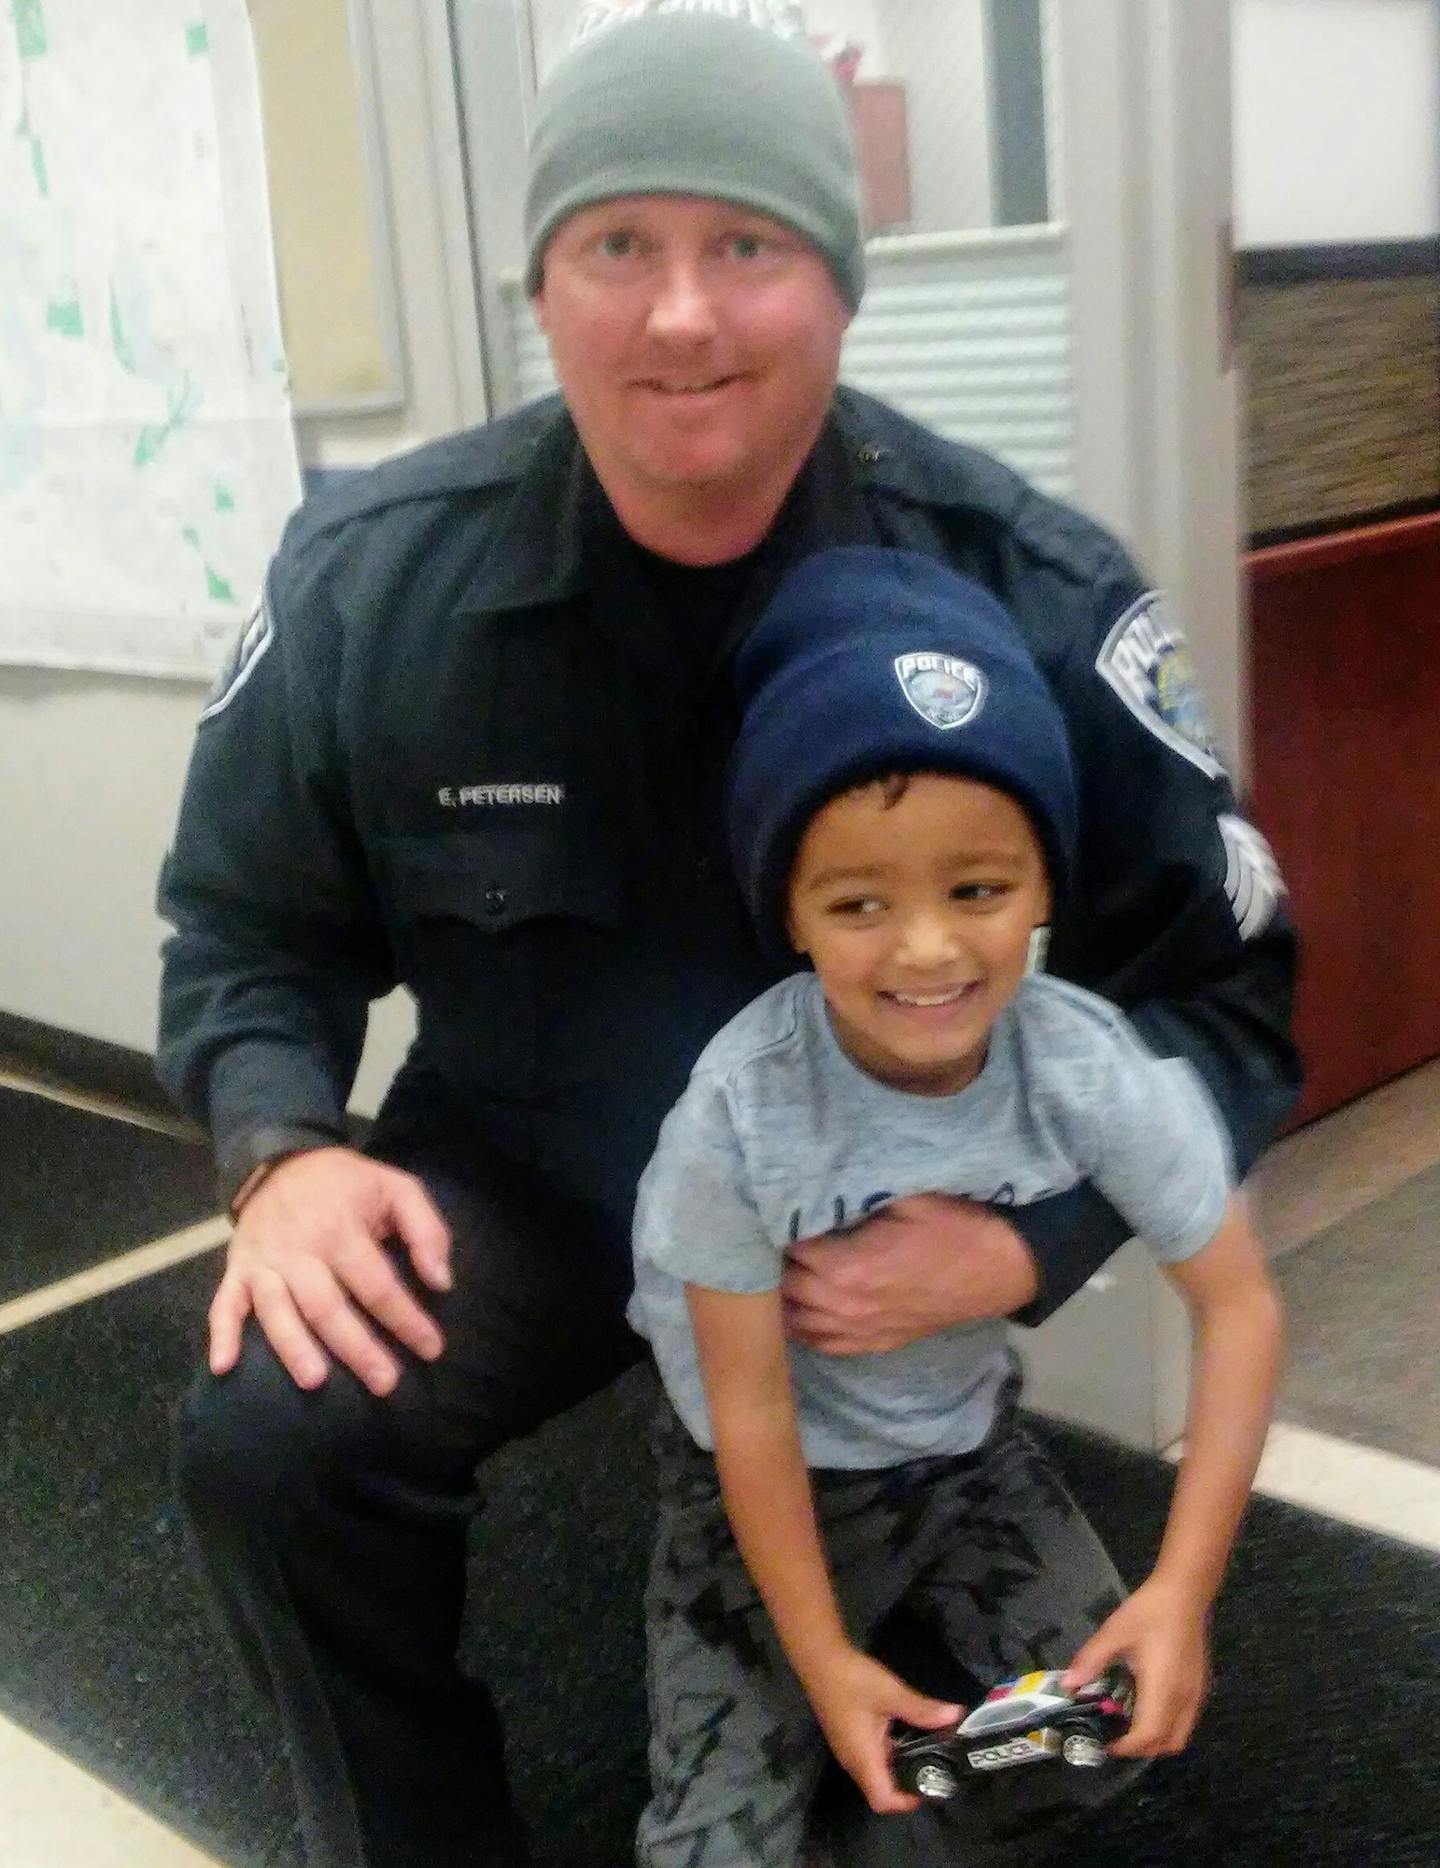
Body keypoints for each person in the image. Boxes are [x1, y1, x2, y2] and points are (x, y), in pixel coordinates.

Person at [155, 10, 1298, 1866]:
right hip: (533, 1177)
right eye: (619, 247)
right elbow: (243, 929)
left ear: (840, 290)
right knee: (273, 1430)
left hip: (880, 1223)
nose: (682, 317)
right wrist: (280, 1151)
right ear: (544, 287)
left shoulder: (1030, 590)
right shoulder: (375, 583)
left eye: (746, 248)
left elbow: (1227, 1004)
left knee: (990, 1784)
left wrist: (1031, 1239)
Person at [629, 546, 1285, 1867]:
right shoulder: (735, 1117)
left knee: (1109, 1720)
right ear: (793, 913)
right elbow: (749, 1409)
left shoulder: (1088, 1065)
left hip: (967, 1451)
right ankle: (818, 1736)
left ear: (1043, 885)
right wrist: (818, 1662)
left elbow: (1242, 1311)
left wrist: (1182, 1593)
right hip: (757, 1479)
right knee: (711, 1851)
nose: (927, 951)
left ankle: (911, 1807)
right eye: (861, 903)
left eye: (976, 891)